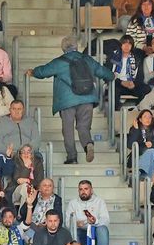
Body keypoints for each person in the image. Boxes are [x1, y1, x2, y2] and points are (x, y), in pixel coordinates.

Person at [32, 36, 113, 164]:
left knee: (68, 130)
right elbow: (104, 73)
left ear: (63, 48)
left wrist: (33, 72)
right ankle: (88, 144)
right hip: (87, 99)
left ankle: (72, 157)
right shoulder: (87, 60)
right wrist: (111, 76)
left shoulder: (59, 62)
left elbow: (43, 72)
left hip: (66, 101)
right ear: (76, 47)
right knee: (83, 126)